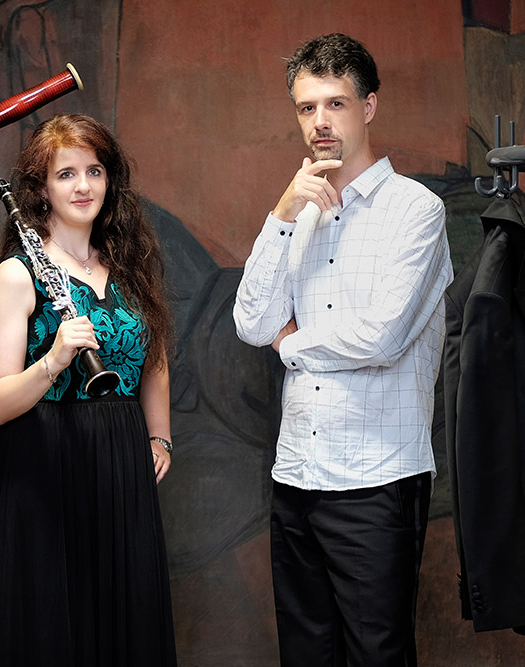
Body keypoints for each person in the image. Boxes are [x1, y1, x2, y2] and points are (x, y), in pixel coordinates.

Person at [233, 33, 452, 665]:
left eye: (336, 103)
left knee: (377, 656)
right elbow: (250, 322)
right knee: (306, 655)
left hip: (377, 480)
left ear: (369, 107)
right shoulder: (301, 215)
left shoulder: (416, 210)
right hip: (297, 475)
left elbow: (381, 336)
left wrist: (293, 344)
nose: (320, 122)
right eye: (307, 108)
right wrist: (282, 214)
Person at [0, 113, 177, 666]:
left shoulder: (130, 267)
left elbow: (154, 359)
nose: (83, 186)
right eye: (66, 174)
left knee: (121, 619)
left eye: (94, 171)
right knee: (53, 628)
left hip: (119, 458)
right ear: (41, 189)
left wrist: (159, 436)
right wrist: (54, 360)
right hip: (45, 462)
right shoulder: (19, 274)